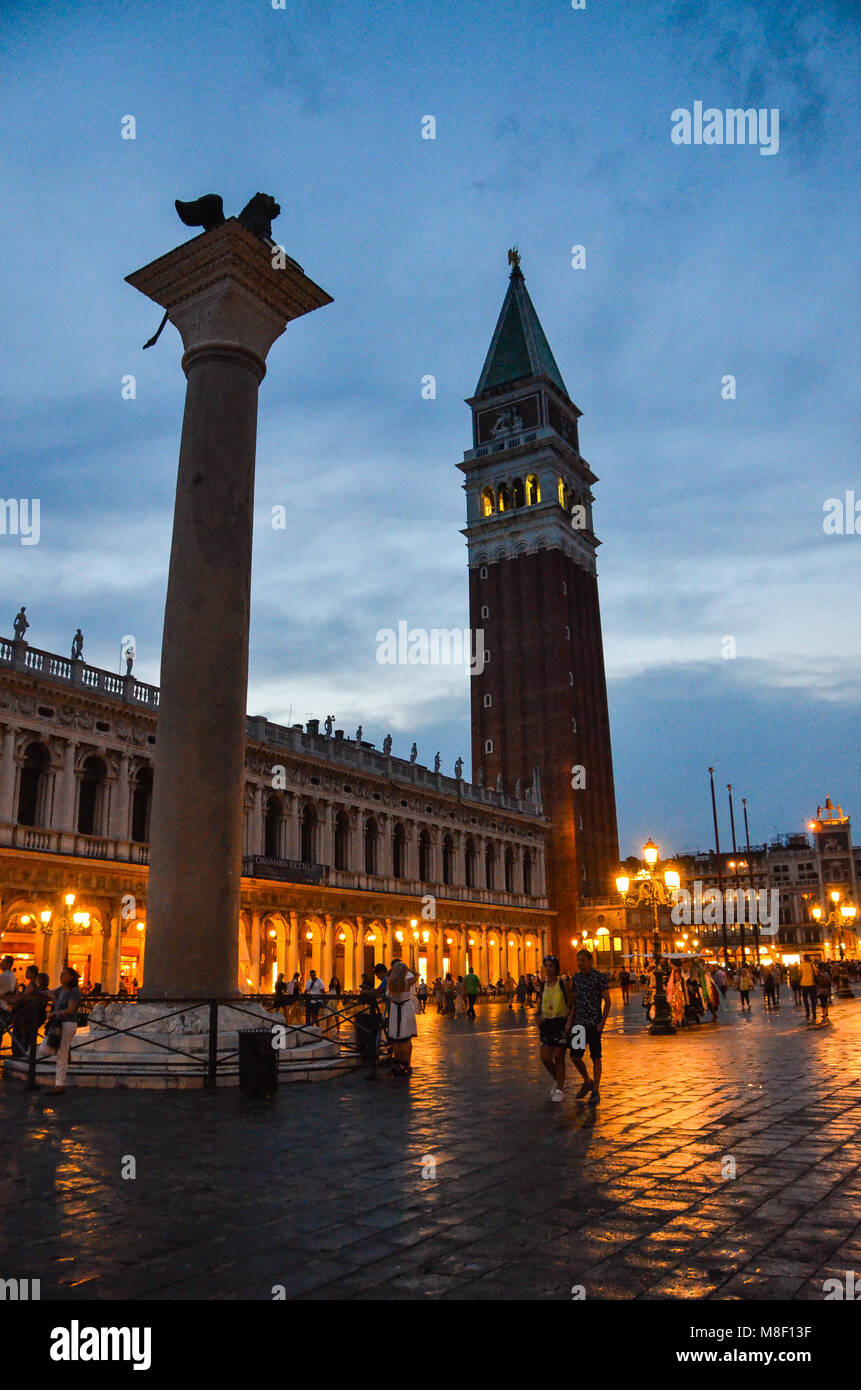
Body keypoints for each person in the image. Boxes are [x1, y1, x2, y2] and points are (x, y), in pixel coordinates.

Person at [566, 949, 611, 1106]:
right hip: (579, 1024)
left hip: (593, 1024)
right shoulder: (576, 978)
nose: (580, 963)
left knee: (596, 1057)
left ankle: (596, 1089)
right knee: (575, 1056)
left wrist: (602, 1022)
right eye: (578, 960)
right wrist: (569, 989)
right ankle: (587, 1080)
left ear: (590, 961)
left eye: (582, 960)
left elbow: (608, 1001)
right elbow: (572, 1001)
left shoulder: (599, 977)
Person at [37, 966, 81, 1093]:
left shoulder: (74, 991)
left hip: (67, 1023)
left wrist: (54, 1013)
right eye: (61, 974)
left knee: (61, 1056)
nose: (61, 977)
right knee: (44, 1049)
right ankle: (65, 1052)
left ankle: (59, 1085)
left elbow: (70, 1010)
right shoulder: (62, 989)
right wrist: (47, 994)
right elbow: (49, 992)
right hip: (58, 1024)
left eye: (64, 975)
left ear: (71, 977)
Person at [536, 955, 572, 1102]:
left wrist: (569, 1022)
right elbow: (539, 1004)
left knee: (558, 1057)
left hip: (560, 1023)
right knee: (545, 1058)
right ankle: (559, 1080)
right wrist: (536, 1017)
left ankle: (560, 1089)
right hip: (546, 1025)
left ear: (556, 968)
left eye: (551, 966)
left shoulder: (562, 984)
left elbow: (571, 1004)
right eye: (546, 966)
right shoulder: (543, 986)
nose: (548, 969)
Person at [386, 958, 418, 1077]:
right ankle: (406, 1063)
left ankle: (398, 1063)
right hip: (406, 1008)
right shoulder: (408, 981)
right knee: (406, 1037)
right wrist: (408, 968)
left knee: (396, 1037)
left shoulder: (391, 982)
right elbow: (417, 975)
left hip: (395, 1008)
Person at [799, 954, 817, 1022]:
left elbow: (799, 974)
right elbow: (816, 973)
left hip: (803, 984)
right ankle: (814, 1012)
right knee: (813, 999)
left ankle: (808, 1012)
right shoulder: (812, 964)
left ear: (803, 958)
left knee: (805, 999)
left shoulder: (801, 965)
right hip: (812, 983)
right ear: (809, 958)